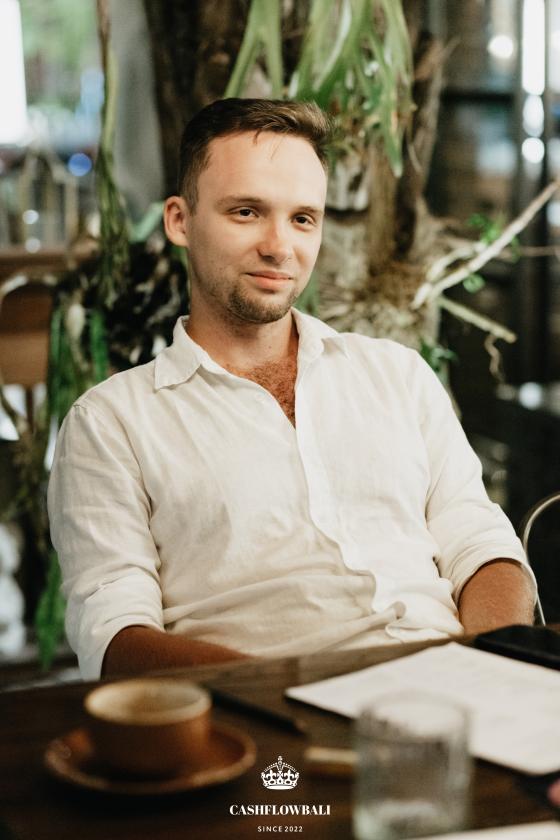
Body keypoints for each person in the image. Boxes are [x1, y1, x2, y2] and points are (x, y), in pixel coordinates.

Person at [48, 98, 536, 680]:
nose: (280, 246)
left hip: (455, 688)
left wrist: (489, 669)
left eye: (303, 218)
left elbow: (482, 546)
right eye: (246, 212)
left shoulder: (398, 376)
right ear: (180, 221)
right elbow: (114, 639)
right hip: (264, 712)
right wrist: (292, 690)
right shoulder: (111, 422)